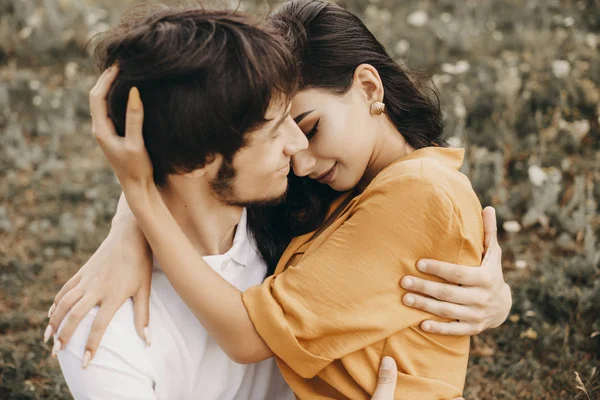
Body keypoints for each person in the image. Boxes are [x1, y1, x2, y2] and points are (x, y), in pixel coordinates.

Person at [47, 3, 510, 399]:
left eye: (308, 126)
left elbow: (248, 334)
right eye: (279, 130)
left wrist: (141, 197)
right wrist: (129, 221)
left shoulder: (401, 192)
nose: (297, 158)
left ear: (369, 88)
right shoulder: (320, 200)